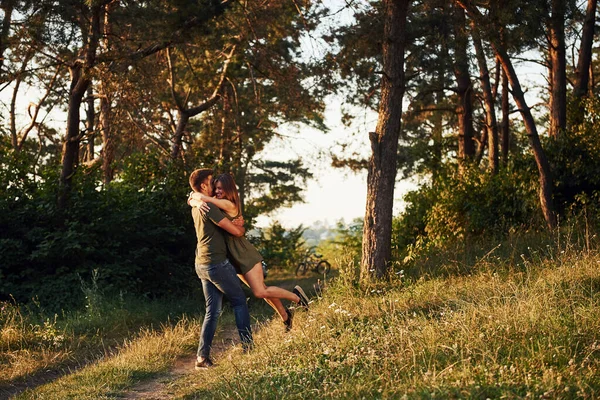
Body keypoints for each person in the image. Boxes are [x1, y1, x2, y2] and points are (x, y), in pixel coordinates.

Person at [188, 173, 310, 332]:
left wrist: (195, 199)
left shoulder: (228, 204)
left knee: (260, 291)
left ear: (228, 189)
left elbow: (206, 199)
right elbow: (200, 199)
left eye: (220, 188)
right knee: (262, 290)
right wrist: (193, 200)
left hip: (244, 253)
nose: (217, 191)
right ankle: (286, 317)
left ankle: (297, 298)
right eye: (215, 187)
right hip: (233, 257)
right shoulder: (216, 204)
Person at [188, 168, 254, 370]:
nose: (214, 184)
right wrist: (241, 227)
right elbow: (235, 231)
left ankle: (202, 357)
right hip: (216, 263)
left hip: (201, 264)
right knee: (240, 302)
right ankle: (248, 349)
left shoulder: (196, 206)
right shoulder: (209, 207)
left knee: (212, 311)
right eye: (211, 181)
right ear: (203, 186)